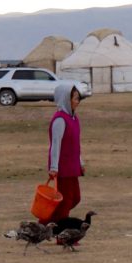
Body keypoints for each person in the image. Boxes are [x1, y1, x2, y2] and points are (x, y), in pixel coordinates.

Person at [42, 83, 84, 225]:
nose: (77, 101)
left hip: (73, 167)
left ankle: (46, 223)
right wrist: (54, 167)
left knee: (75, 198)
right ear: (66, 99)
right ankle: (61, 234)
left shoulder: (74, 118)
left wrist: (81, 162)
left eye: (78, 98)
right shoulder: (60, 120)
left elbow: (75, 145)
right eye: (75, 98)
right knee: (66, 201)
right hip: (63, 168)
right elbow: (55, 144)